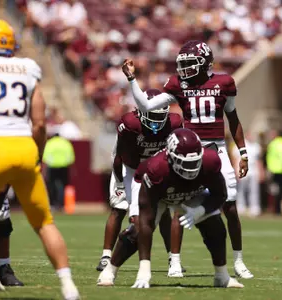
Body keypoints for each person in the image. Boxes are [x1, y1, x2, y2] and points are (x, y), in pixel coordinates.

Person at [122, 40, 253, 278]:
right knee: (177, 202)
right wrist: (132, 80)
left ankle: (238, 260)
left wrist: (243, 153)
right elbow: (147, 104)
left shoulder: (224, 83)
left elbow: (233, 119)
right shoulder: (177, 84)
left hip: (217, 147)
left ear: (205, 63)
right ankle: (174, 261)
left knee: (230, 206)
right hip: (186, 147)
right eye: (183, 64)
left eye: (191, 63)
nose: (185, 69)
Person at [0, 19, 79, 299]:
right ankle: (68, 285)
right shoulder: (27, 67)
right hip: (23, 146)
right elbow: (39, 124)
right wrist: (36, 155)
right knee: (44, 222)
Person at [97, 128, 244, 289]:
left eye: (195, 162)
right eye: (185, 163)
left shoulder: (211, 161)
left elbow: (220, 195)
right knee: (137, 230)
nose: (190, 168)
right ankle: (110, 270)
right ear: (171, 157)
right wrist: (144, 269)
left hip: (192, 192)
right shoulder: (156, 169)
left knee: (216, 226)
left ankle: (222, 275)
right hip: (158, 193)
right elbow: (146, 220)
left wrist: (200, 211)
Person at [96, 89, 185, 279]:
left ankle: (173, 258)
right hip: (130, 167)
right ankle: (106, 256)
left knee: (163, 211)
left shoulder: (174, 122)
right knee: (120, 208)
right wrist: (120, 183)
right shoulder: (130, 124)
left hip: (155, 168)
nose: (154, 120)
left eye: (158, 114)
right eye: (150, 113)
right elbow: (120, 156)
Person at [231, 132, 263, 217]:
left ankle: (254, 208)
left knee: (254, 190)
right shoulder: (238, 146)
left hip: (253, 171)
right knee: (241, 190)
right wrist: (235, 171)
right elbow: (234, 159)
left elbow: (258, 161)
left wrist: (261, 171)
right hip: (241, 170)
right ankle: (241, 207)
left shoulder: (256, 146)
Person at [42, 133, 75, 210]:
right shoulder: (66, 143)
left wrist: (44, 171)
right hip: (64, 166)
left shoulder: (49, 143)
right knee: (63, 185)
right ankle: (61, 203)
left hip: (52, 166)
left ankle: (53, 203)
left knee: (52, 185)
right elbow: (71, 157)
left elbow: (45, 158)